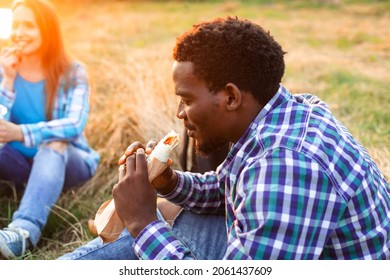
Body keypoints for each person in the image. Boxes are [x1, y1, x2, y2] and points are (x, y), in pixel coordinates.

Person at [60, 16, 389, 260]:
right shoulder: (283, 113)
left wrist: (143, 223)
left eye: (187, 100)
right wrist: (169, 182)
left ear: (231, 97)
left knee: (150, 226)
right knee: (164, 212)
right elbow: (230, 187)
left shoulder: (286, 163)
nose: (179, 113)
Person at [0, 0, 99, 259]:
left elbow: (73, 126)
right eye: (16, 25)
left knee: (54, 142)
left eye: (29, 26)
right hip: (20, 163)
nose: (20, 32)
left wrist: (21, 133)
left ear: (48, 30)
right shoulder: (5, 69)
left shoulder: (72, 72)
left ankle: (23, 231)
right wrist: (7, 81)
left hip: (68, 162)